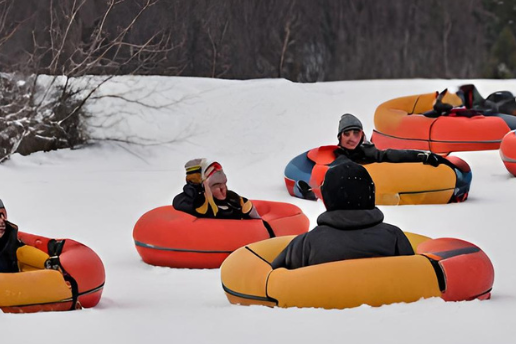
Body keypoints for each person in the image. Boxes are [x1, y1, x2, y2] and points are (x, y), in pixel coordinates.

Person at [273, 161, 414, 270]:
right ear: (370, 195)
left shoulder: (306, 243)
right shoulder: (394, 237)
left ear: (329, 198)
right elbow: (415, 274)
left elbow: (271, 278)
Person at [294, 114, 445, 200]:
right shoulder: (337, 158)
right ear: (340, 138)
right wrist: (310, 192)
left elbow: (392, 155)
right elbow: (324, 177)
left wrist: (421, 156)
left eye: (356, 133)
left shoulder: (369, 152)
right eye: (347, 134)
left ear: (362, 135)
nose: (352, 138)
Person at [173, 158, 260, 219]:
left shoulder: (235, 199)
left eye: (224, 183)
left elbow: (258, 221)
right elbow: (180, 204)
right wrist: (195, 187)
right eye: (216, 185)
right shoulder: (196, 202)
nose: (222, 189)